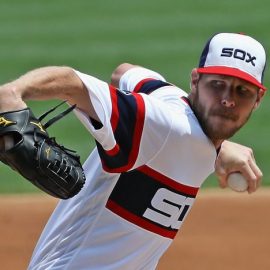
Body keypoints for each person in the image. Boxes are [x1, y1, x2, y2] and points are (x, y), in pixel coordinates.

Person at [0, 32, 266, 269]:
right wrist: (12, 93)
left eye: (242, 91)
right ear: (195, 80)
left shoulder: (169, 101)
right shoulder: (164, 124)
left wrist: (216, 148)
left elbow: (123, 71)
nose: (228, 100)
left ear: (258, 100)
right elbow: (72, 82)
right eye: (217, 84)